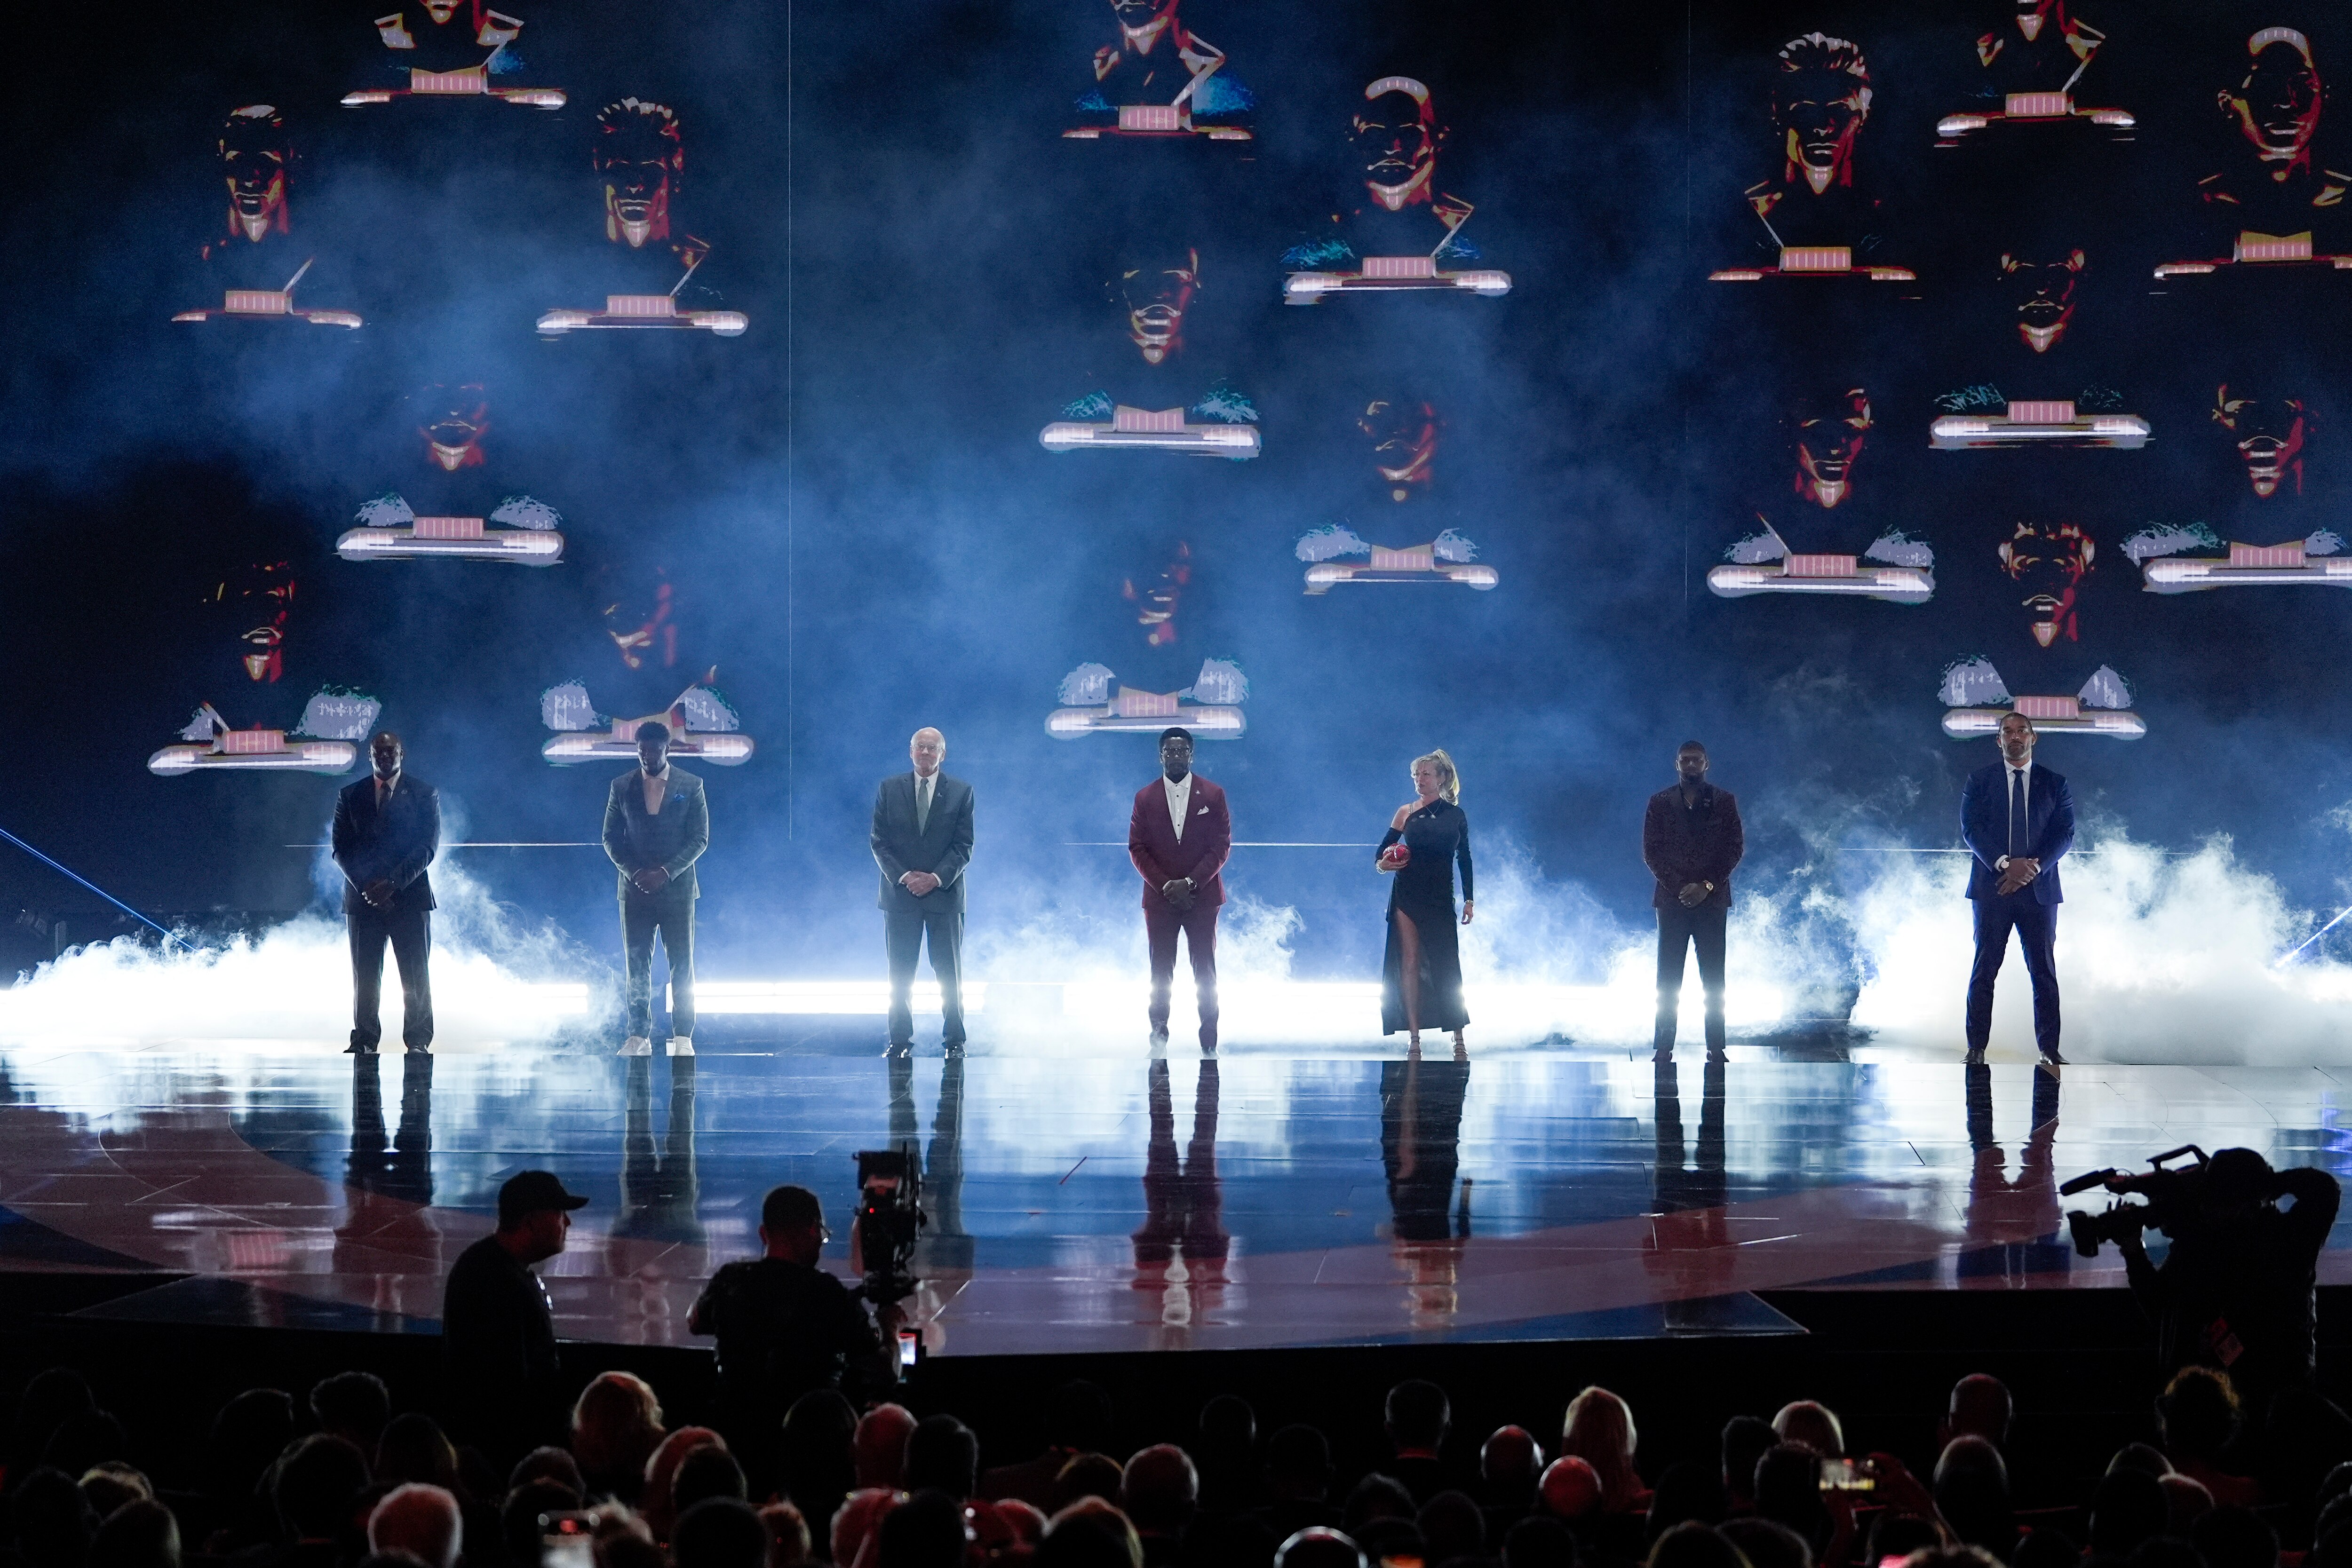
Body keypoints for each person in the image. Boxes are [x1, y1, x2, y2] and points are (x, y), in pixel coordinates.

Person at [688, 1185, 893, 1494]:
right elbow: (881, 1367)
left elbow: (695, 1321)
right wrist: (890, 1329)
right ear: (812, 1230)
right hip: (812, 1449)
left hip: (737, 1439)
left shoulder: (732, 1279)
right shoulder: (828, 1294)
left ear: (763, 1234)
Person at [2112, 1148, 2342, 1417]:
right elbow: (2325, 1188)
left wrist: (2133, 1251)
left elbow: (2159, 1305)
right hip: (2287, 1389)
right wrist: (2268, 1184)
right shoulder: (2291, 1238)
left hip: (2218, 1398)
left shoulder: (2201, 1244)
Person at [440, 1170, 588, 1464]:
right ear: (531, 1220)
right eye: (559, 1213)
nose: (567, 1223)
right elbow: (506, 1383)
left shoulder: (495, 1268)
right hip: (507, 1453)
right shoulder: (495, 1281)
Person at [1959, 712, 2074, 1065]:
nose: (2014, 737)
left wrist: (2032, 868)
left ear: (2033, 737)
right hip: (1993, 888)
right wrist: (2008, 865)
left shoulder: (2055, 783)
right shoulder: (1979, 781)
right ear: (1998, 740)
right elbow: (1971, 831)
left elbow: (2065, 834)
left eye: (2021, 730)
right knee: (1985, 970)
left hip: (2039, 891)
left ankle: (2050, 1051)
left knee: (2043, 971)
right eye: (2007, 731)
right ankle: (1976, 1049)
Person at [604, 720, 710, 1058]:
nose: (647, 757)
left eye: (654, 751)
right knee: (637, 964)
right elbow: (610, 838)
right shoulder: (621, 786)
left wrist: (666, 872)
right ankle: (638, 1035)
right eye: (642, 751)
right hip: (634, 891)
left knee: (682, 963)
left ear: (668, 749)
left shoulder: (692, 784)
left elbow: (700, 839)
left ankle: (683, 1036)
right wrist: (635, 873)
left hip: (677, 891)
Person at [332, 731, 440, 1055]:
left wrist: (392, 884)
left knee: (416, 976)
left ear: (401, 753)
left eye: (390, 751)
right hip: (363, 901)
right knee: (365, 977)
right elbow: (341, 849)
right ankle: (364, 1040)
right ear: (370, 755)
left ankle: (418, 1041)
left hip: (410, 898)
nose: (385, 756)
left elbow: (427, 847)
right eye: (379, 751)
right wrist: (367, 887)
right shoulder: (350, 795)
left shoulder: (424, 794)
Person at [870, 728, 976, 1057]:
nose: (926, 753)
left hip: (944, 896)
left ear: (943, 754)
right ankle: (899, 1041)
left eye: (933, 748)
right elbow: (879, 842)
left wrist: (935, 878)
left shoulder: (961, 792)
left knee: (950, 975)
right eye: (920, 747)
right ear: (911, 752)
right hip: (900, 896)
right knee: (900, 975)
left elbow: (963, 846)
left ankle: (955, 1042)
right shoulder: (889, 789)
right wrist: (904, 877)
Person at [1127, 728, 1231, 1050]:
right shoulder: (1144, 798)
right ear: (1160, 756)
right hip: (1160, 900)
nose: (1175, 757)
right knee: (1160, 972)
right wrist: (1166, 886)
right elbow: (1137, 848)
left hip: (1202, 899)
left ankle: (1209, 1039)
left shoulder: (1213, 794)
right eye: (1169, 752)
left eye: (1181, 751)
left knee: (1205, 971)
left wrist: (1190, 884)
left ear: (1192, 754)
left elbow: (1221, 847)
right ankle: (1158, 1036)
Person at [1642, 742, 1743, 1062]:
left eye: (1696, 760)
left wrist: (1707, 886)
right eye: (1685, 760)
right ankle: (1663, 1046)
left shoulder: (1725, 802)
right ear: (1676, 764)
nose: (1690, 765)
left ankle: (1716, 1046)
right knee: (1668, 977)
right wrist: (1681, 888)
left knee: (1714, 977)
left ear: (1706, 764)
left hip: (1711, 901)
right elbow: (1652, 852)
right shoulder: (1659, 803)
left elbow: (1734, 849)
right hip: (1673, 901)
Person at [1377, 752, 1474, 1048]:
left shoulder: (1456, 815)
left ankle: (1458, 1034)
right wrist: (1384, 865)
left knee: (1446, 961)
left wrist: (1470, 899)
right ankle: (1414, 1037)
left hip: (1441, 893)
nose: (1420, 780)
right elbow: (1381, 853)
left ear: (1442, 778)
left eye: (1426, 775)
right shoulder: (1405, 812)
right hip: (1408, 892)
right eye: (1416, 776)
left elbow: (1465, 856)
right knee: (1409, 962)